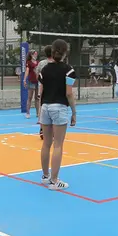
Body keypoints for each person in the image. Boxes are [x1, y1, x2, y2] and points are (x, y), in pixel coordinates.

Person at [38, 39, 77, 191]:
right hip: (59, 107)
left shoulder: (44, 70)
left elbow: (41, 93)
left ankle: (45, 176)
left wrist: (40, 111)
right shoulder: (69, 70)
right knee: (58, 144)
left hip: (45, 107)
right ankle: (54, 181)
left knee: (46, 143)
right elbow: (69, 93)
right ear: (65, 52)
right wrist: (74, 112)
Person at [36, 45, 53, 139]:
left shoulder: (41, 63)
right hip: (52, 89)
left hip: (42, 88)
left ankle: (42, 129)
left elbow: (37, 74)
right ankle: (52, 130)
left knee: (42, 109)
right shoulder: (56, 63)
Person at [23, 50, 39, 119]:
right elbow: (27, 71)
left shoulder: (38, 62)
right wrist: (24, 79)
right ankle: (28, 113)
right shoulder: (28, 63)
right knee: (30, 97)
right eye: (35, 54)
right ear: (31, 55)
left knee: (37, 98)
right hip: (31, 81)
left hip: (38, 81)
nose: (36, 55)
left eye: (36, 54)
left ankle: (38, 113)